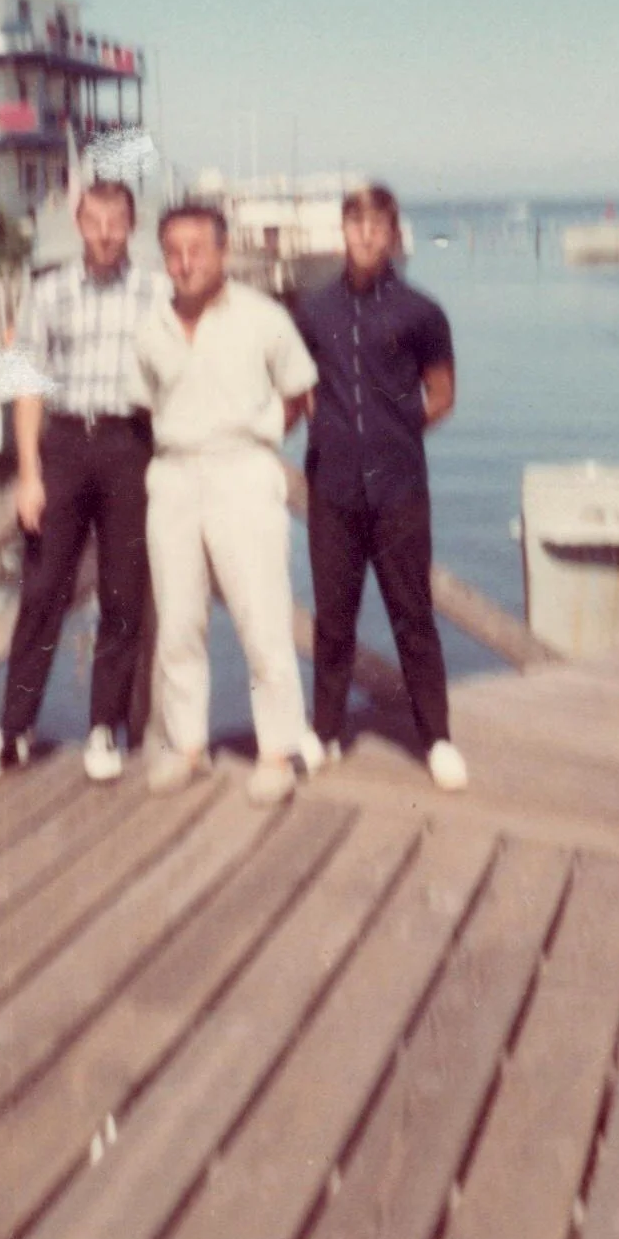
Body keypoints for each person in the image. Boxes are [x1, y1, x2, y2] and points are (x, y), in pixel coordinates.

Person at [0, 180, 164, 786]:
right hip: (66, 445)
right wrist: (29, 474)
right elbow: (27, 386)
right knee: (43, 591)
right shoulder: (46, 291)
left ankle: (103, 730)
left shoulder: (156, 293)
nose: (105, 233)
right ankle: (14, 733)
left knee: (123, 596)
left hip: (130, 445)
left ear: (132, 226)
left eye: (116, 221)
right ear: (78, 223)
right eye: (94, 220)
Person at [136, 202, 320, 805]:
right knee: (178, 623)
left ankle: (277, 753)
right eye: (173, 252)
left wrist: (261, 433)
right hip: (173, 477)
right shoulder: (150, 326)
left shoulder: (265, 318)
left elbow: (299, 391)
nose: (185, 262)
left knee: (263, 619)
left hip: (243, 473)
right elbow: (143, 403)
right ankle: (187, 745)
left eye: (197, 249)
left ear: (223, 251)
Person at [293, 184, 468, 791]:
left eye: (378, 225)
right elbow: (298, 388)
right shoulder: (313, 311)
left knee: (412, 616)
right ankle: (324, 732)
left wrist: (394, 433)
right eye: (356, 223)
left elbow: (442, 395)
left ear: (393, 235)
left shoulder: (422, 313)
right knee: (333, 619)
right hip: (332, 489)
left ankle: (437, 740)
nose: (366, 234)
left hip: (399, 490)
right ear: (342, 231)